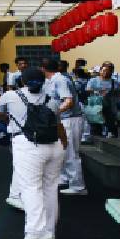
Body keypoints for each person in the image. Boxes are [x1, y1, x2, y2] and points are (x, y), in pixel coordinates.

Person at [0, 69, 64, 239]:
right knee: (50, 188)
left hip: (27, 145)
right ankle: (49, 230)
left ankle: (35, 232)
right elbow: (58, 125)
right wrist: (64, 145)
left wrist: (12, 119)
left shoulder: (11, 95)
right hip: (53, 146)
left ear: (22, 80)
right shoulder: (52, 99)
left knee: (31, 189)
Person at [46, 58, 87, 196]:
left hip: (70, 119)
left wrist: (53, 112)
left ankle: (78, 186)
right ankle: (64, 178)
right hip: (65, 119)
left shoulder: (60, 80)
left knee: (70, 153)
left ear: (43, 69)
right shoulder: (55, 80)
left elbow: (68, 101)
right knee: (62, 150)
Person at [86, 62, 120, 138]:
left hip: (110, 109)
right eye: (103, 70)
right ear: (100, 70)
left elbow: (119, 96)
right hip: (96, 108)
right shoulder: (93, 80)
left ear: (112, 72)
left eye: (108, 70)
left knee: (112, 129)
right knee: (96, 129)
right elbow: (88, 90)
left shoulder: (115, 83)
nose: (105, 72)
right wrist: (98, 92)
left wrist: (116, 105)